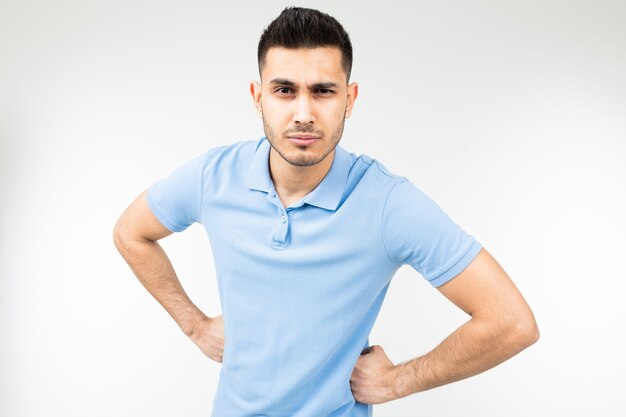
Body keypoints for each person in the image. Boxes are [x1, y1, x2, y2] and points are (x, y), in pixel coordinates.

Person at [113, 6, 539, 416]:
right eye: (284, 90)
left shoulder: (387, 204)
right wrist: (196, 326)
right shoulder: (214, 176)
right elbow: (131, 232)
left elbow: (511, 322)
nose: (303, 114)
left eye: (323, 91)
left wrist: (397, 382)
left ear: (349, 99)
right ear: (257, 97)